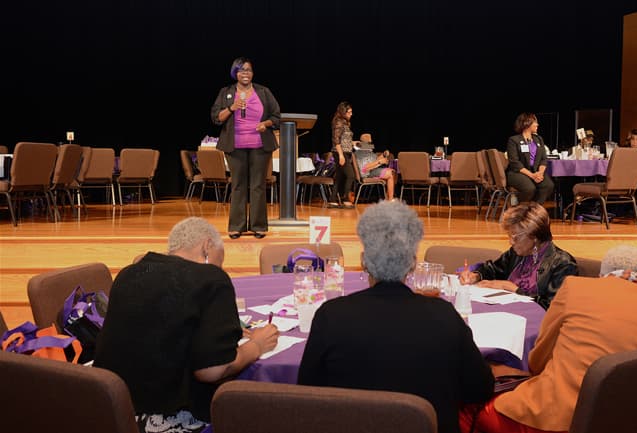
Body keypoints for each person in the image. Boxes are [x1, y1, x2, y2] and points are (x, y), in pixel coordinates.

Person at [298, 201, 494, 433]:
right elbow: (479, 389)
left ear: (363, 262)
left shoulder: (331, 315)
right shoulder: (445, 315)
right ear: (412, 264)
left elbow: (307, 394)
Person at [460, 244, 637, 433]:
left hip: (554, 418)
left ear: (603, 274)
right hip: (625, 422)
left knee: (467, 407)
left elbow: (538, 359)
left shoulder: (576, 288)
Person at [94, 217, 279, 433]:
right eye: (220, 261)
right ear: (207, 246)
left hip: (113, 411)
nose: (220, 267)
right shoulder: (210, 278)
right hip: (169, 419)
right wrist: (256, 345)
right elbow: (213, 370)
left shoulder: (129, 273)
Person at [210, 57, 280, 239]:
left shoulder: (263, 92)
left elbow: (277, 116)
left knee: (258, 186)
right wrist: (232, 107)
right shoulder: (226, 92)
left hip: (260, 145)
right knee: (238, 186)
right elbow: (216, 118)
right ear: (235, 74)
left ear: (252, 73)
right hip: (235, 146)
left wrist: (266, 123)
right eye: (241, 70)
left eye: (248, 70)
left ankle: (258, 226)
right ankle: (236, 226)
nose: (245, 73)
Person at [459, 202, 578, 309]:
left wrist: (513, 289)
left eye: (516, 237)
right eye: (509, 235)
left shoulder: (563, 264)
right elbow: (494, 269)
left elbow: (553, 307)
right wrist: (475, 275)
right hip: (506, 312)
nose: (511, 242)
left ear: (535, 236)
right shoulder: (517, 252)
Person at [505, 113, 554, 204]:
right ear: (527, 123)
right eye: (535, 122)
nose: (537, 124)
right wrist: (532, 175)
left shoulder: (539, 139)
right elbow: (515, 163)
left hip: (535, 171)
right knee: (529, 188)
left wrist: (540, 173)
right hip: (517, 173)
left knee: (548, 185)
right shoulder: (513, 140)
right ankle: (517, 205)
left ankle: (533, 209)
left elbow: (543, 159)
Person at [328, 101, 356, 209]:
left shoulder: (344, 122)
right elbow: (336, 140)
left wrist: (353, 143)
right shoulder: (338, 122)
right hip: (340, 152)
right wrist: (340, 155)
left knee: (339, 177)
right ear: (343, 112)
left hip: (345, 152)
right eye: (349, 112)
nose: (351, 114)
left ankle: (332, 200)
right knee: (351, 175)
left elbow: (344, 139)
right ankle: (346, 199)